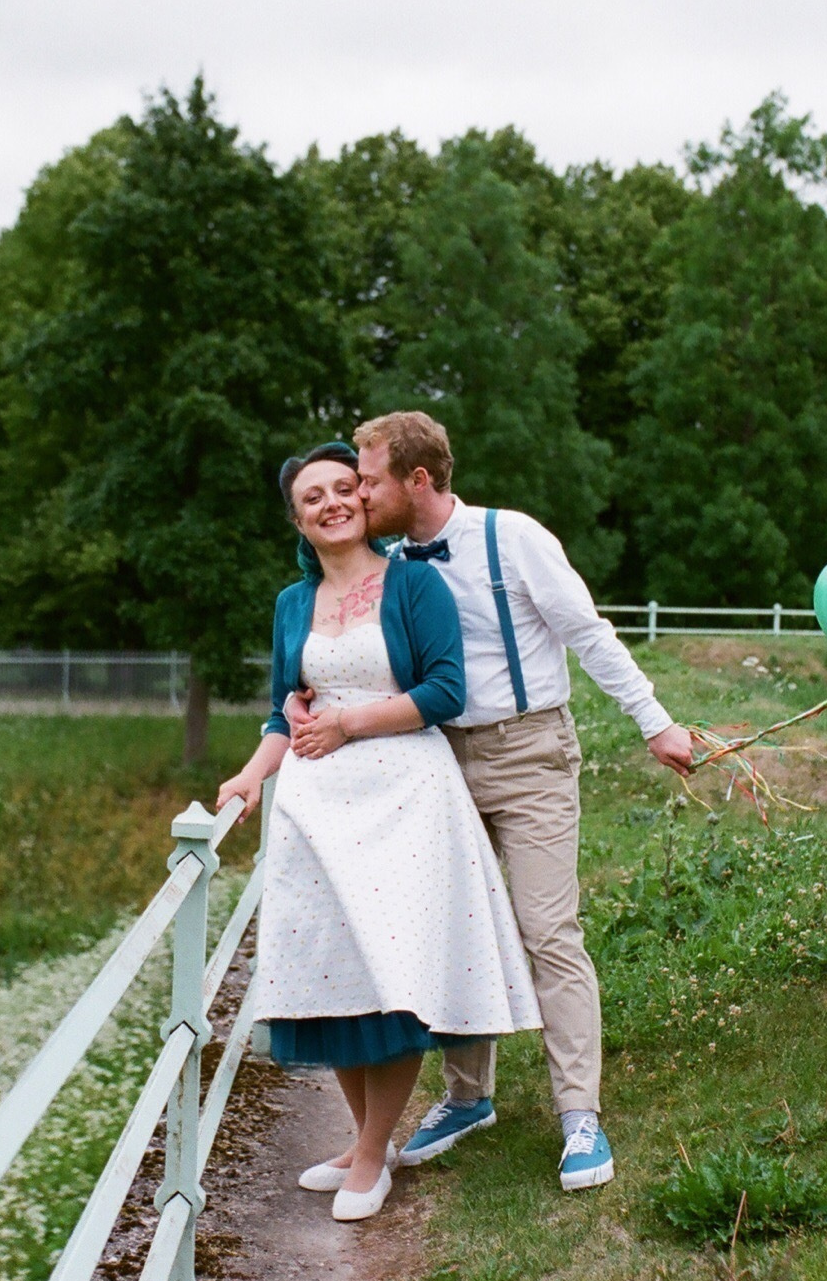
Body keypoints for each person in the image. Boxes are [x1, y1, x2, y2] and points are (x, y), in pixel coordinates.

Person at [289, 411, 693, 1192]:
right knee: (453, 930)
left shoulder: (515, 539)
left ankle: (580, 1115)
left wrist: (656, 723)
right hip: (434, 760)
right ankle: (467, 1097)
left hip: (529, 751)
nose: (358, 495)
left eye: (368, 480)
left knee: (547, 931)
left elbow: (590, 633)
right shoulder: (389, 563)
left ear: (417, 480)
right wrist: (304, 700)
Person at [216, 441, 541, 1223]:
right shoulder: (292, 603)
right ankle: (368, 1141)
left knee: (394, 975)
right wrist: (250, 776)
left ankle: (370, 1158)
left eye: (343, 488)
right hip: (315, 809)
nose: (332, 503)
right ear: (298, 520)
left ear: (364, 501)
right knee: (334, 973)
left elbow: (444, 690)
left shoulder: (413, 584)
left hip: (405, 799)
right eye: (312, 497)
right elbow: (283, 713)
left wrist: (347, 724)